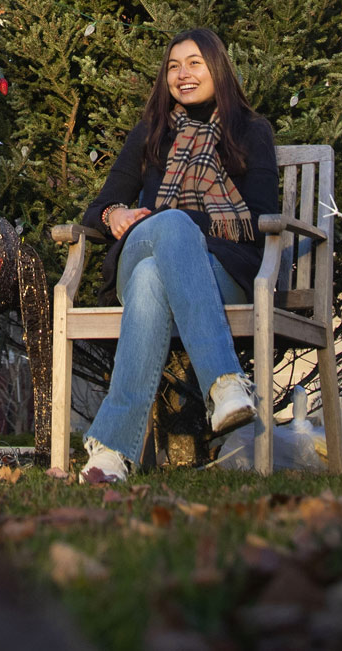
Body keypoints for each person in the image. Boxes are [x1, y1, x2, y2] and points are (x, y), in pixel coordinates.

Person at [75, 27, 279, 481]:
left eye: (194, 64)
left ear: (217, 70)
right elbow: (98, 209)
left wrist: (183, 222)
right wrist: (114, 216)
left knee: (153, 274)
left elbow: (263, 218)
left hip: (220, 266)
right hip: (139, 247)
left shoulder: (251, 132)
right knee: (163, 230)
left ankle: (109, 452)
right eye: (173, 66)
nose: (182, 75)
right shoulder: (151, 133)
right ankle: (224, 384)